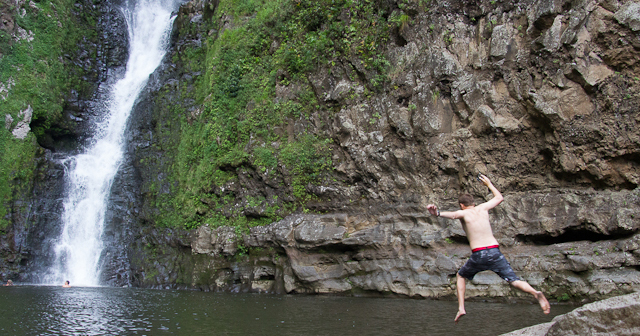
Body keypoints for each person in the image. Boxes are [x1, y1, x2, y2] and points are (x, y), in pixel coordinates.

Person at [427, 174, 550, 323]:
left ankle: (461, 308)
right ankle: (535, 293)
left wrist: (437, 213)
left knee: (460, 276)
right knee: (513, 280)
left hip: (479, 254)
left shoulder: (463, 213)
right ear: (473, 202)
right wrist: (489, 184)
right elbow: (499, 198)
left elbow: (453, 215)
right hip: (494, 252)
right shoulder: (483, 208)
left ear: (462, 205)